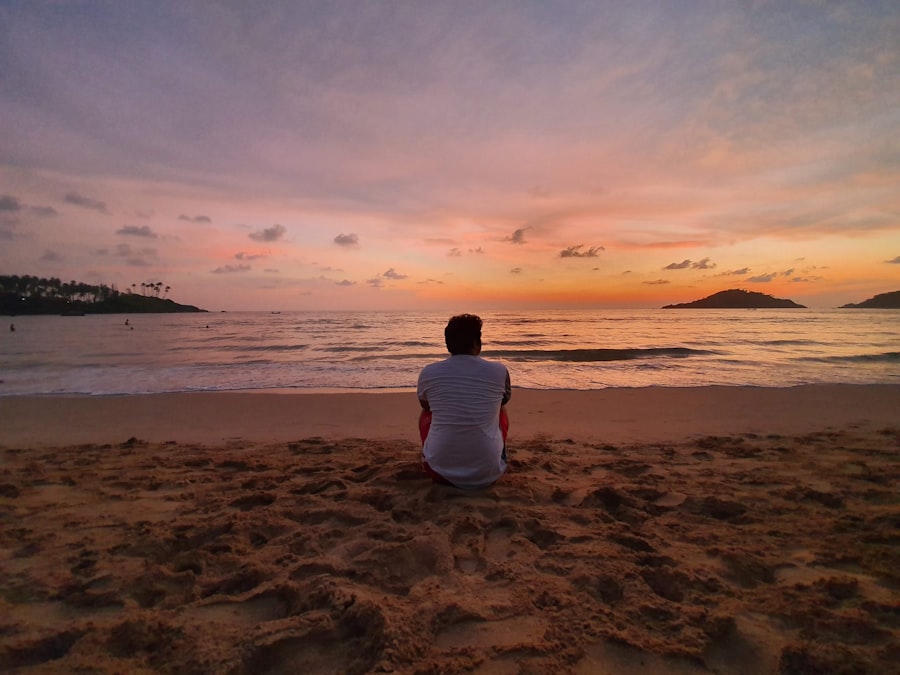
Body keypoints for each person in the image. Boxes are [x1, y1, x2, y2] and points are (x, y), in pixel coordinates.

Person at [417, 314, 511, 489]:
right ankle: (493, 452)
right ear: (477, 342)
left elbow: (426, 405)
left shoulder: (428, 372)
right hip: (489, 472)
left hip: (439, 472)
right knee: (501, 408)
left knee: (428, 412)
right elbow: (504, 399)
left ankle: (436, 452)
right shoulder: (499, 371)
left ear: (448, 344)